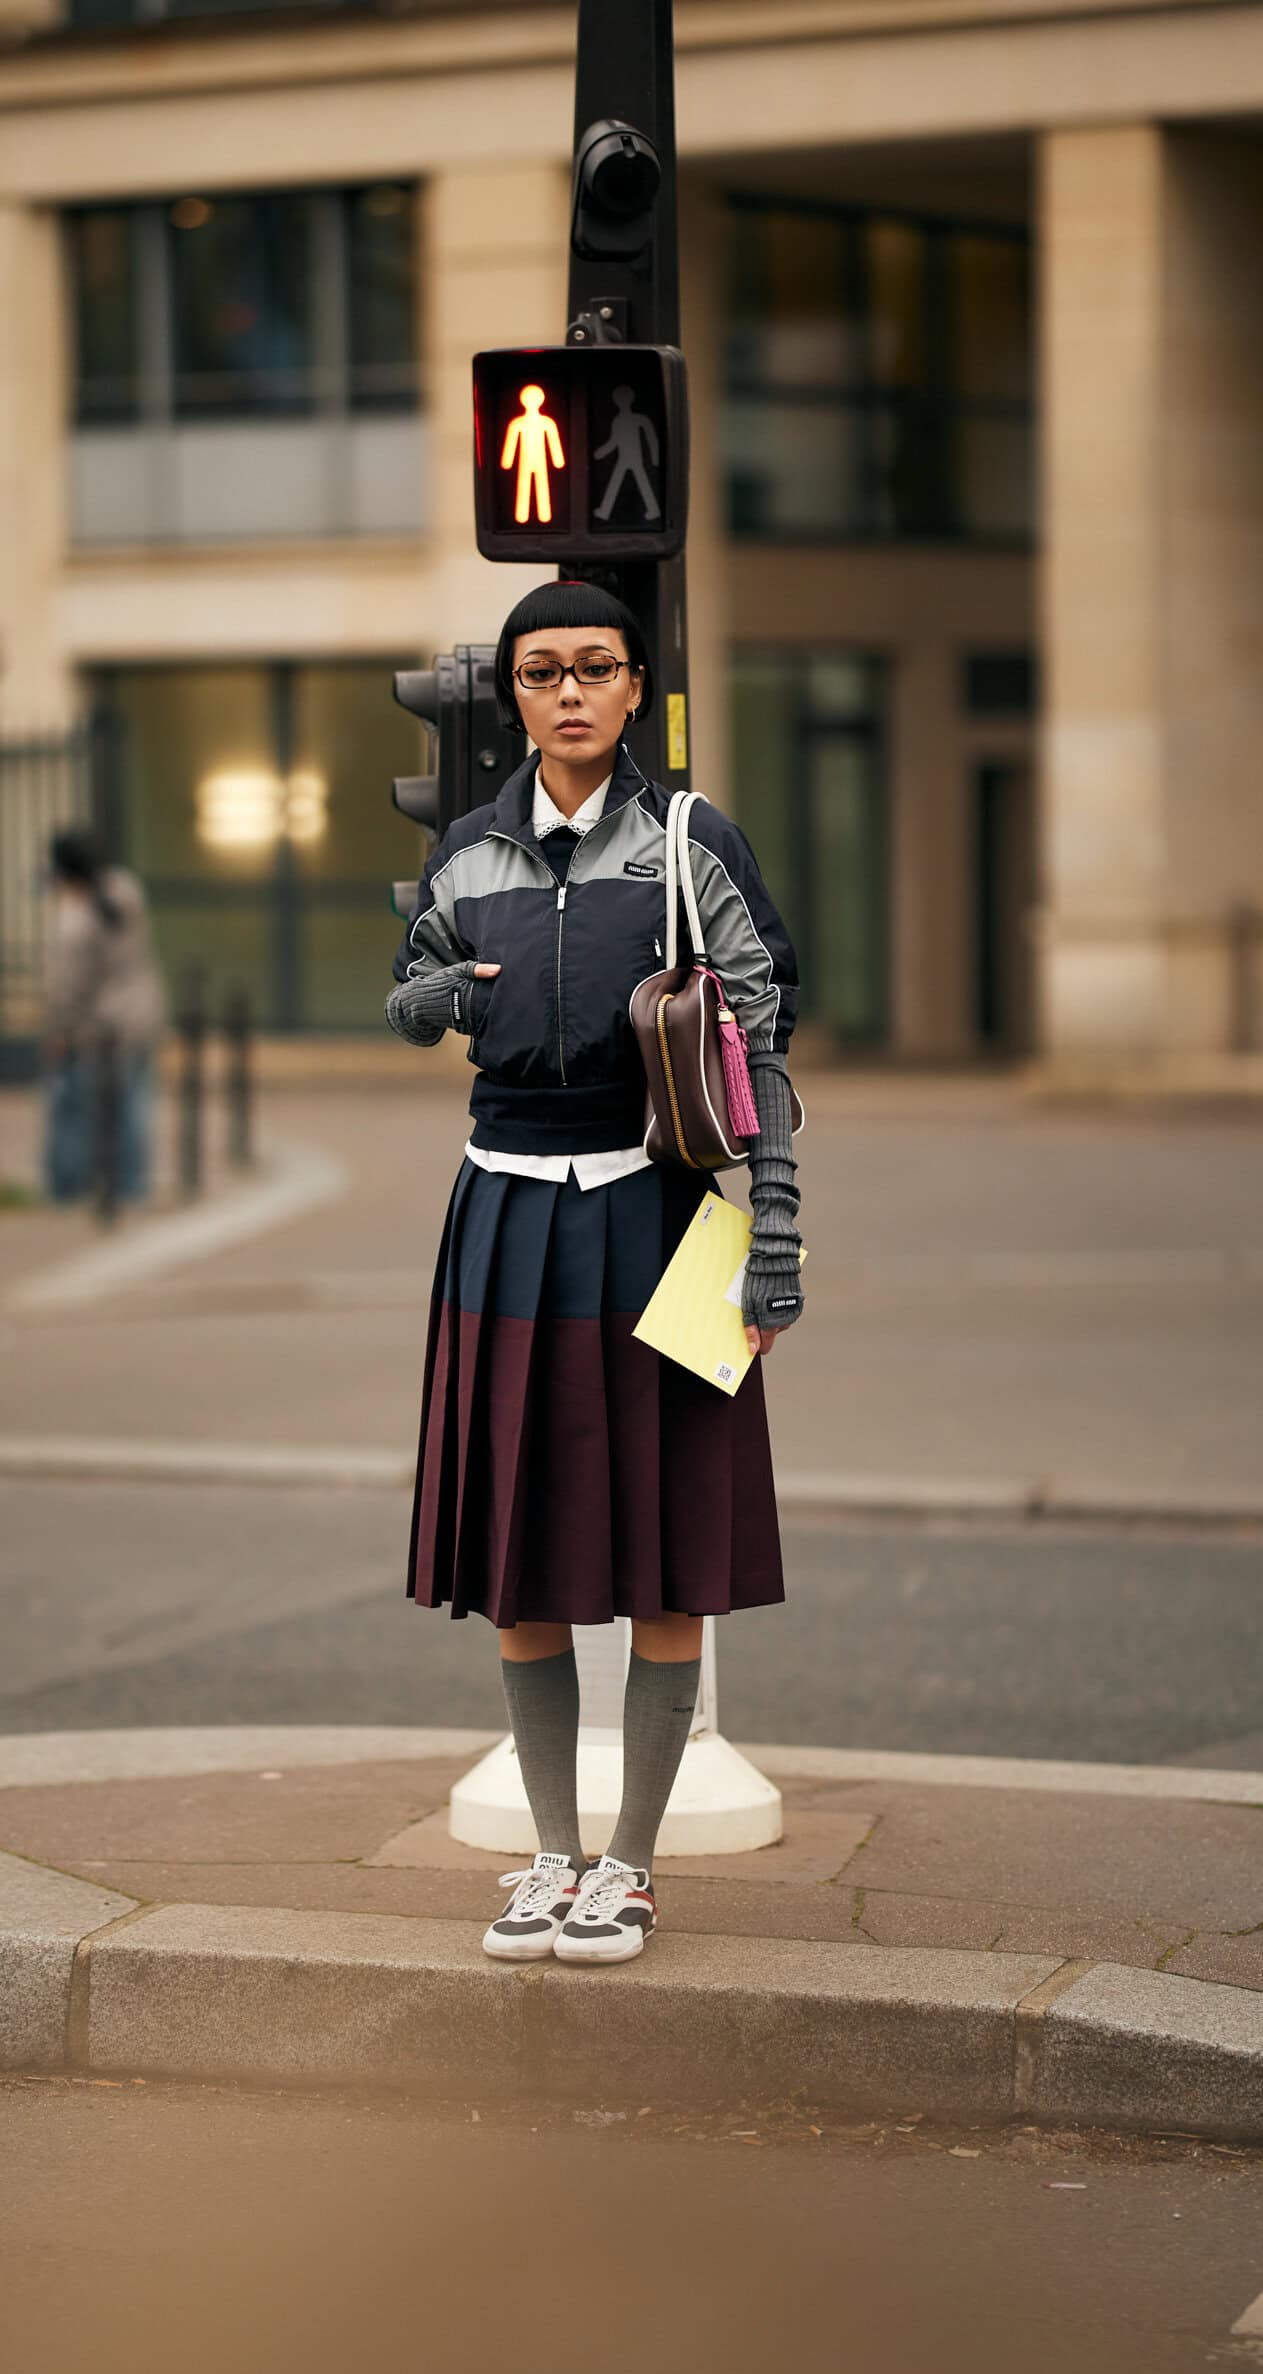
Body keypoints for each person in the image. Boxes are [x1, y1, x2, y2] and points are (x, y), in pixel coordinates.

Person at [385, 581, 804, 1969]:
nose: (568, 692)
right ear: (510, 694)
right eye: (540, 671)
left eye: (595, 668)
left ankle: (627, 1867)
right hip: (501, 1216)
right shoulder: (463, 850)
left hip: (667, 1222)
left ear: (634, 691)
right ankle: (547, 1858)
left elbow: (759, 1047)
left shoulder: (691, 842)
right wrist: (434, 1001)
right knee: (523, 1566)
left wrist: (779, 1241)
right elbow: (407, 998)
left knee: (667, 1558)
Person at [42, 829, 165, 1205]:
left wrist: (60, 1031)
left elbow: (68, 987)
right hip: (142, 1015)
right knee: (133, 1106)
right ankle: (133, 1185)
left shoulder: (76, 919)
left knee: (74, 1110)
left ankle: (70, 1189)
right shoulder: (127, 891)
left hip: (98, 1026)